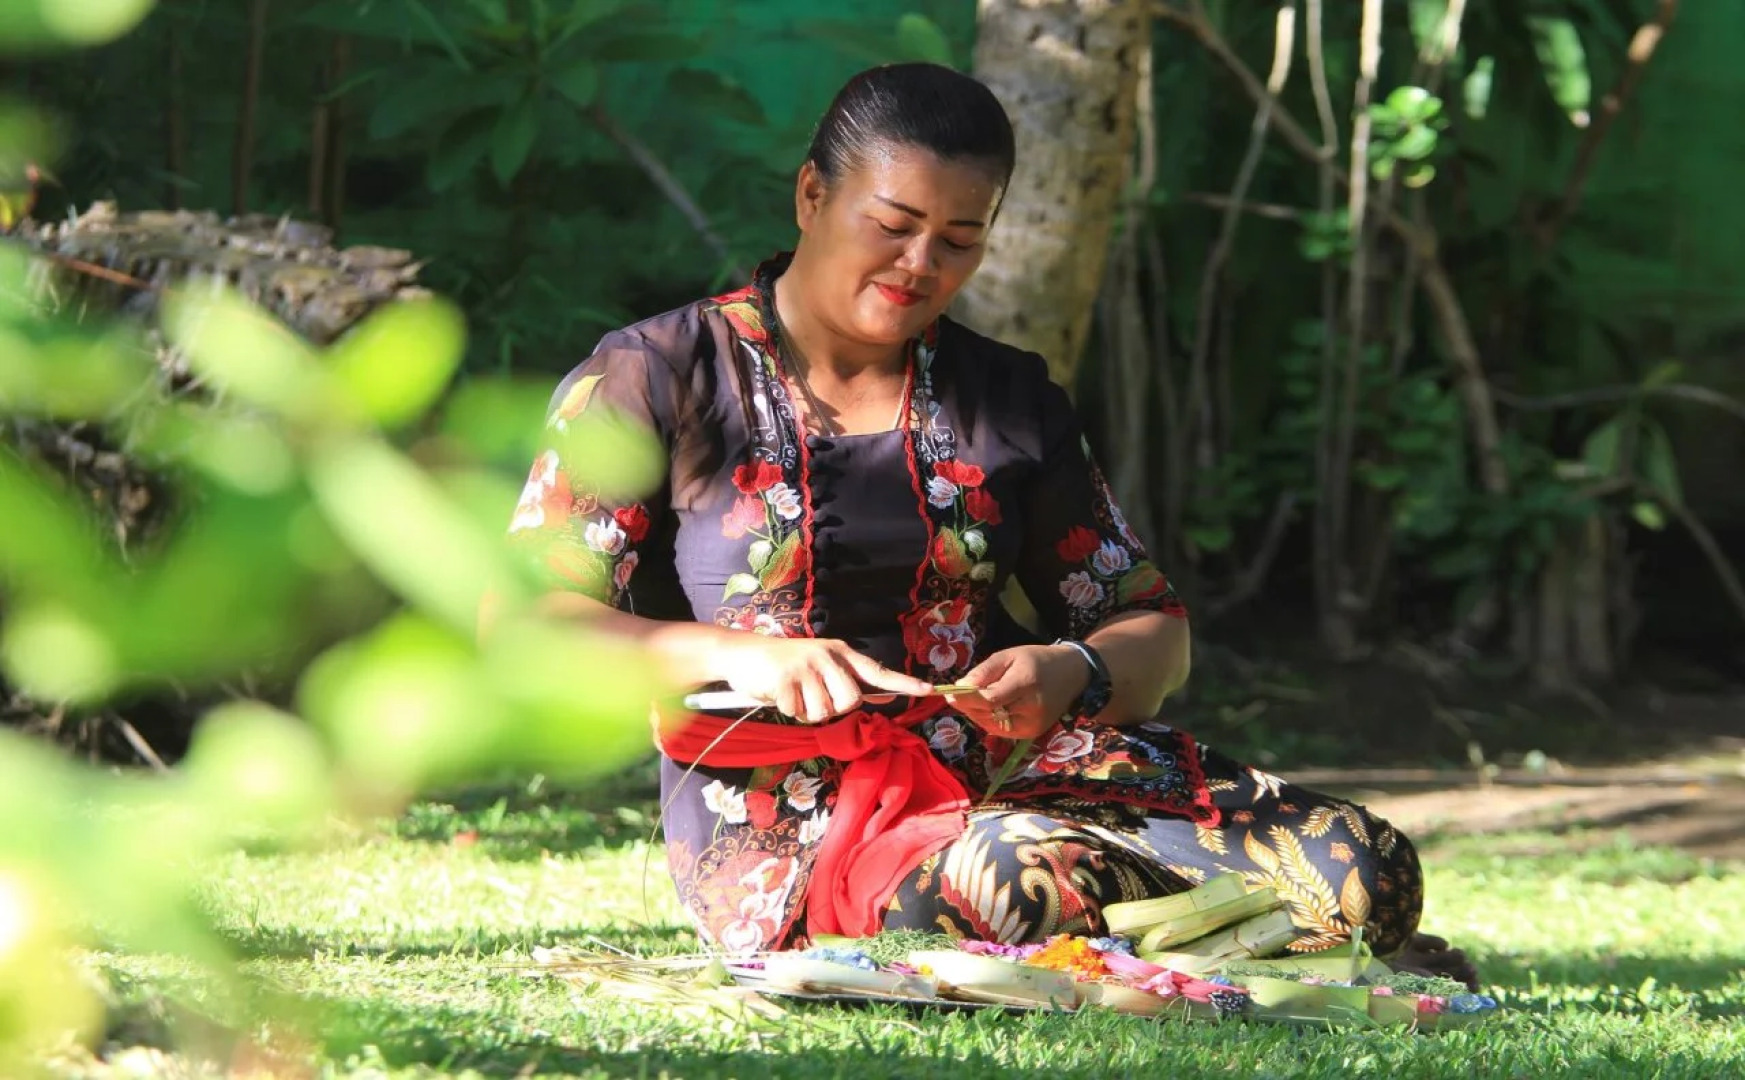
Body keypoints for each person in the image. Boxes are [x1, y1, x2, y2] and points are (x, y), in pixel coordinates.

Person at [507, 62, 1475, 987]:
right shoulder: (656, 373)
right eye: (891, 225)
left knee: (1363, 862)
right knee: (1011, 882)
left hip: (1027, 773)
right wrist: (738, 655)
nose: (920, 263)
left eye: (959, 239)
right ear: (810, 195)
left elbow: (1150, 625)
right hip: (797, 817)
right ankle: (1230, 941)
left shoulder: (1004, 395)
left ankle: (1211, 938)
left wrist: (1073, 671)